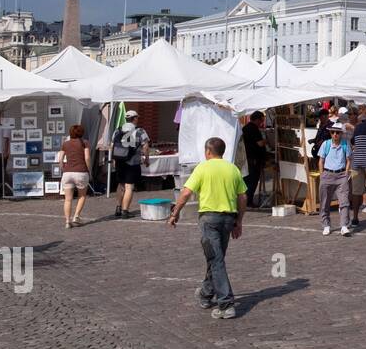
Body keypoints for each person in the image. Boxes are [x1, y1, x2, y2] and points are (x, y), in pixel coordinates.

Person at [168, 136, 248, 320]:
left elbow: (186, 192)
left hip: (209, 219)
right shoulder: (232, 169)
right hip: (228, 219)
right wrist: (239, 221)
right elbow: (243, 197)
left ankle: (226, 304)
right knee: (216, 257)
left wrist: (175, 213)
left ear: (208, 152)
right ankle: (205, 293)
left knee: (216, 259)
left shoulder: (203, 167)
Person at [112, 109, 150, 219]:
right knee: (129, 186)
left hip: (119, 161)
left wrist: (114, 160)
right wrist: (146, 159)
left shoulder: (117, 130)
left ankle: (118, 207)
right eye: (137, 117)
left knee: (121, 184)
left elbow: (113, 146)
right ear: (134, 119)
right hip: (133, 163)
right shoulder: (140, 131)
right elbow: (145, 147)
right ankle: (125, 211)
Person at [317, 123, 352, 236]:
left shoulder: (345, 144)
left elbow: (348, 160)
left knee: (344, 202)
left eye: (337, 132)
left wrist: (346, 173)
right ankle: (326, 225)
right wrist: (322, 175)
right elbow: (321, 160)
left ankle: (344, 225)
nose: (335, 134)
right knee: (324, 203)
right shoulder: (326, 144)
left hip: (341, 175)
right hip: (327, 174)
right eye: (333, 132)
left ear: (341, 133)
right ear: (330, 133)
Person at [58, 123, 92, 228]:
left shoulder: (65, 143)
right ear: (81, 133)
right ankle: (76, 216)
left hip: (67, 173)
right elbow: (87, 157)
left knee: (68, 199)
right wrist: (89, 169)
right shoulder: (85, 143)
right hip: (81, 172)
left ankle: (67, 221)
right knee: (82, 196)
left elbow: (60, 158)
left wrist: (62, 168)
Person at [240, 110, 268, 208]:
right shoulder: (253, 128)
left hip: (247, 158)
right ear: (257, 119)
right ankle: (248, 201)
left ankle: (244, 201)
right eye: (261, 120)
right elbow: (259, 143)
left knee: (247, 180)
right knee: (252, 181)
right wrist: (266, 141)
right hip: (253, 159)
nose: (262, 123)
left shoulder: (246, 128)